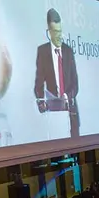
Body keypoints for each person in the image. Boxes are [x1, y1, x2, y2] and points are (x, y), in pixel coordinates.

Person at [34, 8, 80, 137]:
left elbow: (75, 85)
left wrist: (65, 97)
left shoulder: (68, 51)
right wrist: (40, 101)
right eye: (56, 32)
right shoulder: (42, 52)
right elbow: (38, 83)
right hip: (52, 116)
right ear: (49, 33)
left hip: (70, 113)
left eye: (60, 31)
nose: (59, 35)